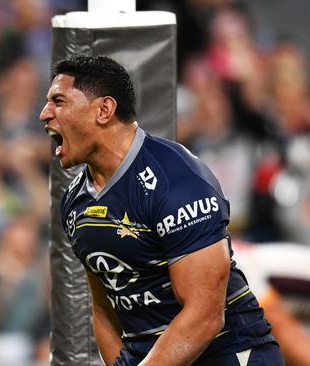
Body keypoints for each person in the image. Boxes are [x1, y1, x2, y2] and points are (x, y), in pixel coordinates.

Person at [39, 55, 283, 365]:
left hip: (227, 353)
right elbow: (104, 308)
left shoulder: (178, 180)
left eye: (58, 101)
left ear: (104, 110)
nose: (44, 113)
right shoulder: (75, 203)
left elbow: (205, 317)